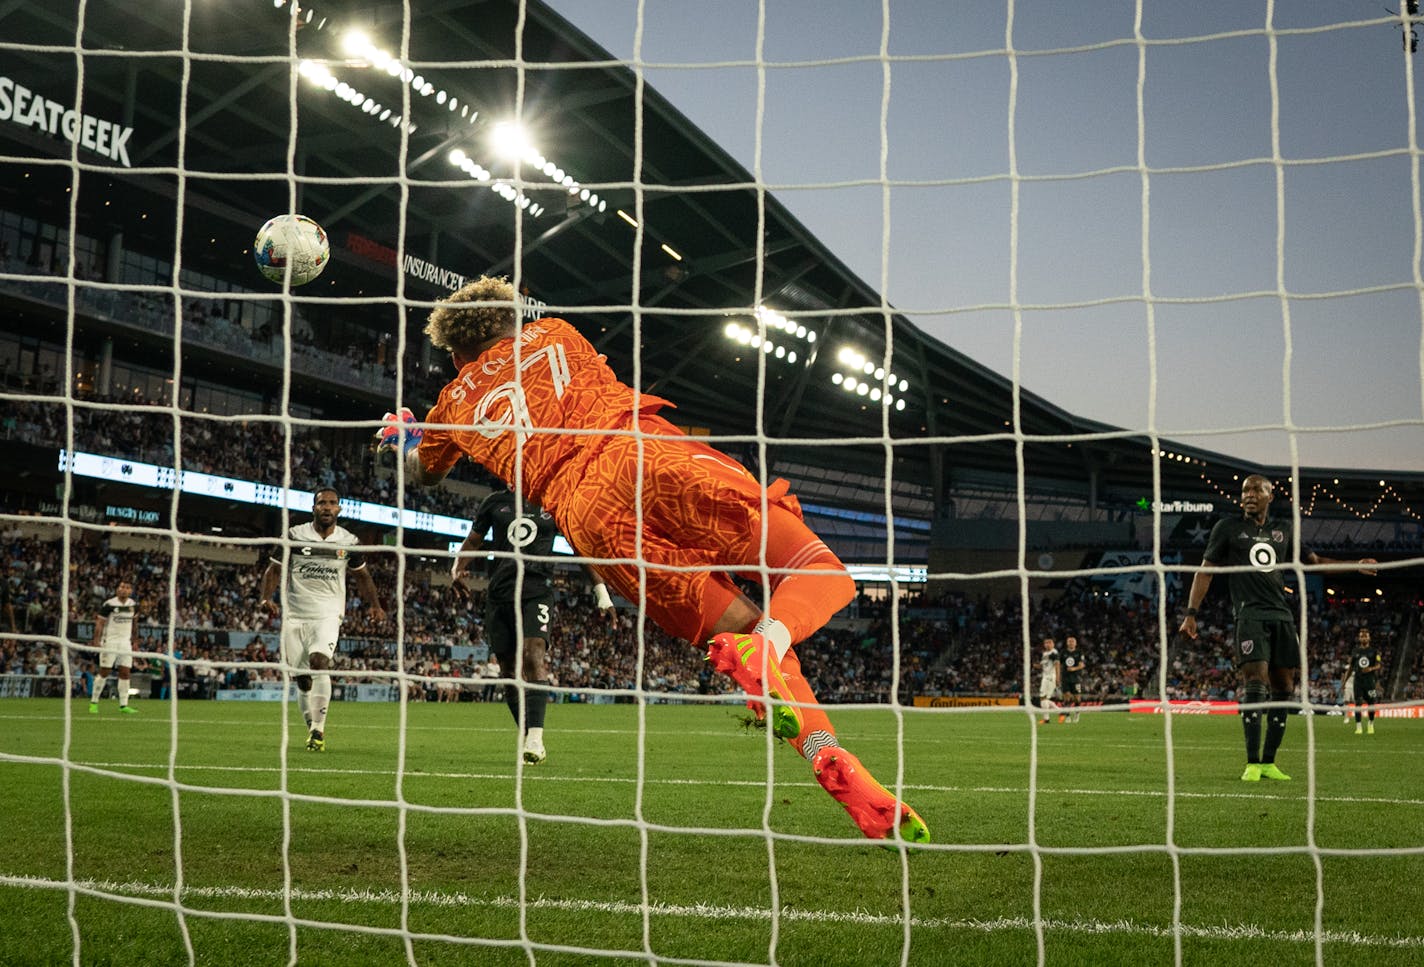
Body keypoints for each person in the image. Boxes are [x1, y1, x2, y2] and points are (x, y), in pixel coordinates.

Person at [378, 275, 928, 843]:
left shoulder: (454, 403)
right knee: (819, 572)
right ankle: (774, 647)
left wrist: (402, 440)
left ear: (455, 351)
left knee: (742, 630)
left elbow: (425, 471)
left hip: (585, 515)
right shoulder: (554, 332)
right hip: (639, 453)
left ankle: (827, 755)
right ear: (509, 319)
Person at [1178, 474, 1376, 782]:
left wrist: (1354, 565)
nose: (1249, 495)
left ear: (1271, 496)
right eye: (1245, 490)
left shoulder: (1283, 530)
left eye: (1257, 490)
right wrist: (1192, 613)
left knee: (1284, 688)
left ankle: (1269, 762)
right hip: (1250, 616)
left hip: (1282, 617)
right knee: (1256, 682)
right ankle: (1252, 763)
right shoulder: (1227, 529)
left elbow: (1314, 560)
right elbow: (1205, 572)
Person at [452, 483, 615, 765]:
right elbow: (474, 540)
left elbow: (579, 549)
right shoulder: (494, 501)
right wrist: (456, 569)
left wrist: (601, 592)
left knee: (533, 653)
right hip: (499, 593)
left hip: (537, 589)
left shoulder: (554, 501)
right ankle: (529, 735)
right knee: (508, 671)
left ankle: (536, 737)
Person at [260, 487, 386, 752]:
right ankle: (311, 723)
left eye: (332, 503)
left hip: (328, 613)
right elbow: (274, 569)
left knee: (320, 662)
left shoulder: (348, 541)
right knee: (302, 679)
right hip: (295, 615)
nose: (327, 507)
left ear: (339, 509)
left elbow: (363, 576)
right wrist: (265, 598)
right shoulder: (295, 535)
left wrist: (375, 605)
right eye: (322, 503)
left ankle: (318, 730)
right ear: (313, 508)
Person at [88, 579, 139, 715]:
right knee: (104, 671)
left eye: (127, 587)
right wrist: (96, 640)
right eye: (121, 586)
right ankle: (94, 702)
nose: (123, 589)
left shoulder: (133, 605)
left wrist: (135, 640)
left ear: (130, 591)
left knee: (125, 672)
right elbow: (100, 623)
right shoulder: (109, 604)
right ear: (117, 589)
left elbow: (134, 623)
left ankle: (123, 705)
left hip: (125, 643)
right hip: (110, 642)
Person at [1340, 627, 1382, 735]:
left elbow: (1379, 665)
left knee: (1371, 704)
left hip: (1369, 681)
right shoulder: (1355, 651)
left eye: (1365, 636)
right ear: (1359, 638)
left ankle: (1370, 724)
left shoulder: (1374, 651)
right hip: (1358, 681)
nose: (1363, 638)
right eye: (1361, 636)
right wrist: (1344, 682)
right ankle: (1358, 727)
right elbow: (1350, 668)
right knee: (1357, 703)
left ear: (1369, 638)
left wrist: (1370, 669)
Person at [1037, 637, 1061, 725]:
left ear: (1053, 644)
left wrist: (1058, 678)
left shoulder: (1054, 653)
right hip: (1045, 677)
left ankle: (1046, 719)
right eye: (1046, 643)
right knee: (1044, 698)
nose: (1047, 644)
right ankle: (1061, 712)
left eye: (1049, 642)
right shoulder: (1045, 654)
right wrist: (1036, 666)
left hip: (1050, 677)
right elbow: (1044, 665)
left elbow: (1057, 665)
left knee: (1043, 698)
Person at [1060, 635, 1084, 723]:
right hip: (1065, 678)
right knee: (1067, 698)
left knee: (1077, 698)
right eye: (1069, 641)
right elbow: (1058, 664)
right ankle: (1067, 716)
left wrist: (1074, 669)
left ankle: (1077, 714)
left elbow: (1082, 665)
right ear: (1067, 643)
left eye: (1073, 641)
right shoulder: (1063, 652)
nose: (1071, 643)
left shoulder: (1079, 652)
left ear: (1075, 643)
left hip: (1076, 678)